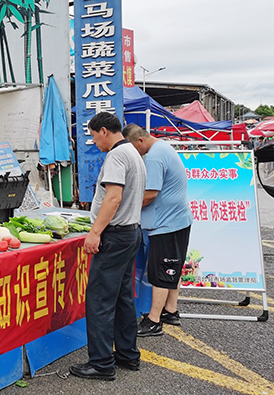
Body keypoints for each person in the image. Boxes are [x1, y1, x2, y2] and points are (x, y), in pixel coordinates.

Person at [69, 112, 146, 381]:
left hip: (114, 235)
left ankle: (101, 363)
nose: (94, 142)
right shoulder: (134, 152)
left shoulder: (116, 155)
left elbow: (113, 198)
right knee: (123, 296)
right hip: (130, 233)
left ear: (103, 131)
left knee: (100, 299)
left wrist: (95, 232)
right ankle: (127, 355)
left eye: (92, 136)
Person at [122, 124, 193, 337]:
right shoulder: (163, 147)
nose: (135, 154)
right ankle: (171, 310)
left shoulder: (153, 157)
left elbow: (150, 194)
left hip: (166, 224)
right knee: (172, 268)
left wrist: (125, 207)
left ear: (140, 141)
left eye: (134, 149)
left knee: (162, 271)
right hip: (177, 220)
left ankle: (153, 320)